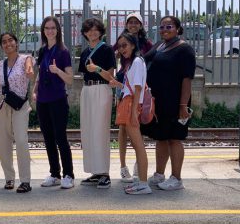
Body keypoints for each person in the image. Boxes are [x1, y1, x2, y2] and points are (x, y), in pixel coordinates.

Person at [142, 15, 196, 191]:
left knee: (175, 138)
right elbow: (143, 60)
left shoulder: (185, 50)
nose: (165, 30)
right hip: (159, 101)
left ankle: (177, 178)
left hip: (175, 102)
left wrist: (182, 106)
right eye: (162, 27)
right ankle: (159, 174)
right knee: (161, 138)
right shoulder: (159, 45)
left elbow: (187, 79)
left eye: (169, 27)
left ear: (178, 29)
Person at [0, 32, 36, 193]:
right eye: (4, 42)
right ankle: (9, 177)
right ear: (1, 46)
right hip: (1, 104)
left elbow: (30, 69)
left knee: (21, 140)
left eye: (11, 40)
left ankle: (25, 180)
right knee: (3, 142)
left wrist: (30, 72)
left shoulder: (25, 59)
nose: (8, 44)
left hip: (20, 104)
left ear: (16, 42)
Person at [32, 16, 75, 189]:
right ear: (43, 31)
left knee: (60, 138)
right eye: (47, 28)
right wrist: (35, 88)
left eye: (53, 28)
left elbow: (70, 79)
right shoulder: (43, 50)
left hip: (57, 99)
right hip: (43, 100)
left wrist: (57, 71)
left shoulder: (63, 52)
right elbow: (40, 72)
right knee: (48, 138)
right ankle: (55, 174)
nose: (50, 31)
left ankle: (69, 175)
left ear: (58, 31)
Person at [112, 12, 154, 183]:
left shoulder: (145, 46)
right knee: (122, 128)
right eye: (130, 22)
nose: (133, 25)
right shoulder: (121, 41)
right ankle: (123, 166)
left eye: (136, 22)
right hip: (124, 84)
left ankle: (139, 166)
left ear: (141, 25)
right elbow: (114, 58)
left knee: (136, 129)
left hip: (136, 86)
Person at [78, 18, 116, 189]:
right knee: (88, 131)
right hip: (87, 90)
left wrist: (97, 69)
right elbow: (83, 74)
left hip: (102, 89)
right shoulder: (85, 52)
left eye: (95, 30)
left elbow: (111, 76)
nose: (92, 33)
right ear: (85, 33)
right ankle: (95, 170)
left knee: (100, 130)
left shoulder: (107, 50)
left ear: (101, 31)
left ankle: (104, 172)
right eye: (88, 30)